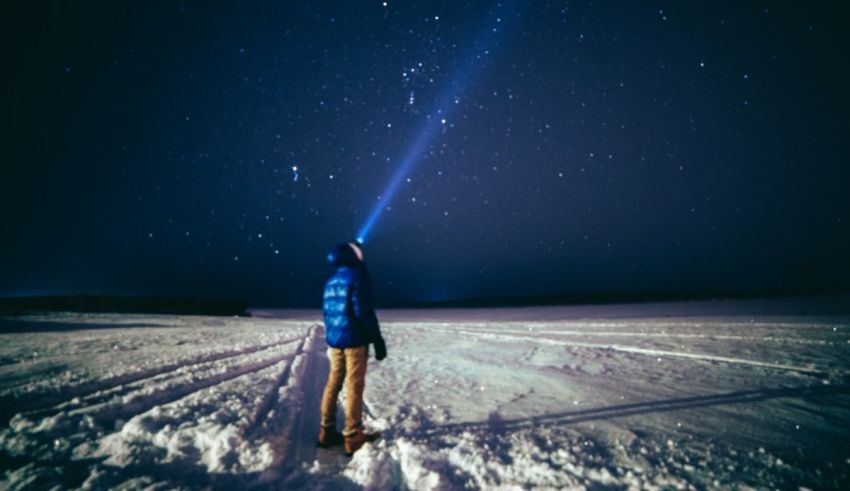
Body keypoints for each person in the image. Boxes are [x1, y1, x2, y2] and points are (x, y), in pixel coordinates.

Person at [318, 241, 387, 455]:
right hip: (355, 340)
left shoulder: (331, 281)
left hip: (336, 341)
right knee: (354, 386)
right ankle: (353, 435)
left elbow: (328, 314)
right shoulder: (357, 277)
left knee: (334, 382)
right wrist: (377, 339)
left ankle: (326, 431)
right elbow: (363, 311)